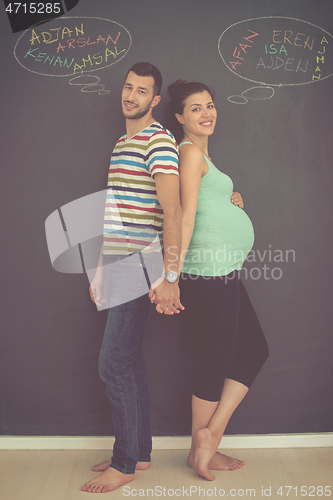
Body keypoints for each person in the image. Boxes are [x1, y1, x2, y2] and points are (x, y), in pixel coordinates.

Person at [156, 80, 269, 481]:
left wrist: (230, 199)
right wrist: (171, 275)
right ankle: (204, 444)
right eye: (195, 108)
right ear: (179, 116)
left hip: (222, 270)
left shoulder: (203, 155)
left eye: (209, 106)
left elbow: (205, 202)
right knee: (217, 358)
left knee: (251, 349)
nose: (207, 113)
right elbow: (185, 216)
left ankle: (206, 441)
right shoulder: (188, 151)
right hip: (207, 271)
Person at [81, 63, 183, 494]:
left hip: (144, 265)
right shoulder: (123, 142)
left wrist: (171, 275)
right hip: (120, 264)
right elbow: (117, 215)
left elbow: (173, 212)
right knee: (131, 359)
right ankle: (139, 453)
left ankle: (123, 464)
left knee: (113, 362)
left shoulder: (158, 141)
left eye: (142, 91)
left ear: (154, 100)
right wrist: (102, 269)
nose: (132, 95)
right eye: (128, 87)